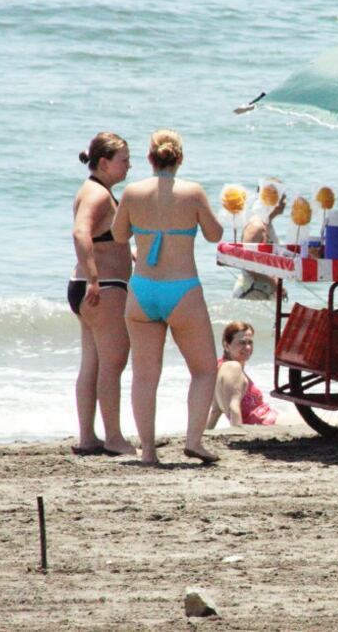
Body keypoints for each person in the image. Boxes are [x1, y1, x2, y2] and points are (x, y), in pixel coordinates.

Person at [112, 129, 223, 464]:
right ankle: (194, 441)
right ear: (180, 158)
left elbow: (119, 235)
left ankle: (147, 450)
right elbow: (215, 234)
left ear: (150, 158)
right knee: (204, 370)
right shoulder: (192, 192)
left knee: (145, 374)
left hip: (143, 288)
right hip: (182, 289)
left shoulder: (132, 192)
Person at [69, 132, 137, 456]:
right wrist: (95, 278)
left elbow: (101, 237)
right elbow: (81, 231)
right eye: (124, 160)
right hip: (102, 288)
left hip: (84, 287)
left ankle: (87, 437)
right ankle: (114, 439)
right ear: (105, 162)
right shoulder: (97, 194)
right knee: (114, 363)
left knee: (92, 364)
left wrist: (129, 252)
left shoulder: (96, 190)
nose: (129, 166)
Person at [207, 321, 280, 428]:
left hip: (265, 422)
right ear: (226, 345)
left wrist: (204, 434)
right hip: (263, 424)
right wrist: (239, 436)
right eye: (242, 343)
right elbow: (233, 407)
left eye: (250, 342)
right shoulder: (233, 367)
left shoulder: (220, 366)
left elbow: (216, 410)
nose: (248, 347)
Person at [232, 188, 287, 300]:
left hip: (263, 291)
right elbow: (247, 263)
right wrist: (275, 283)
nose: (284, 203)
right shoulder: (256, 227)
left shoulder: (267, 224)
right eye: (282, 198)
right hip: (251, 292)